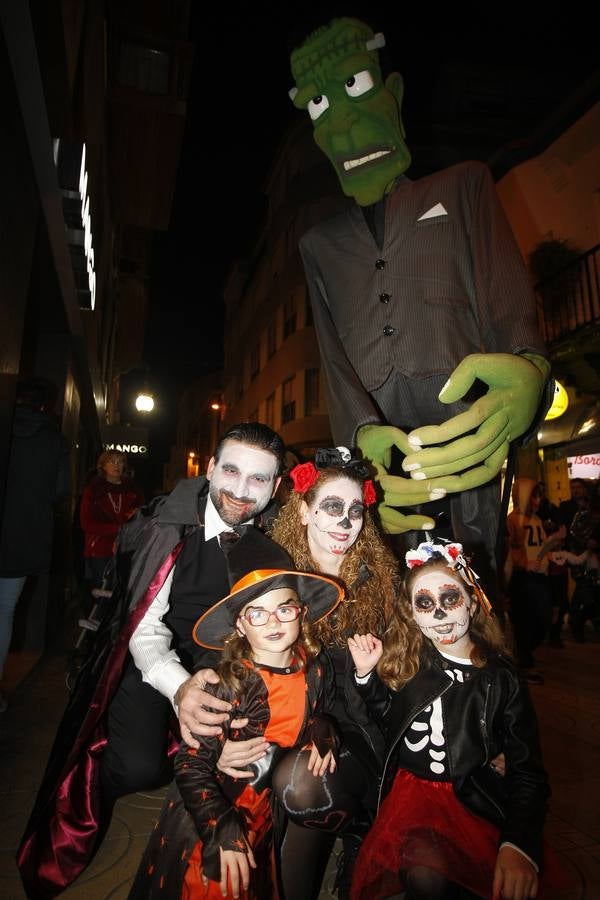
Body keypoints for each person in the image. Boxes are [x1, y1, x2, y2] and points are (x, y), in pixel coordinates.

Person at [287, 17, 551, 581]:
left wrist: (529, 364)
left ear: (394, 94)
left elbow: (508, 293)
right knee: (386, 562)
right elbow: (331, 354)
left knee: (473, 558)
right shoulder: (318, 244)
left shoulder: (463, 186)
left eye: (355, 88)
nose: (340, 124)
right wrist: (358, 431)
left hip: (465, 403)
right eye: (317, 107)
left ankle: (479, 656)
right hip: (380, 428)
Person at [17, 422, 285, 898]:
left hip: (224, 666)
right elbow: (143, 627)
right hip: (152, 658)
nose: (242, 491)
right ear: (209, 469)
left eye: (259, 479)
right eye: (231, 471)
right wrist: (179, 688)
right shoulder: (166, 526)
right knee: (138, 769)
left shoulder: (274, 538)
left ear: (276, 486)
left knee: (238, 762)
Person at [128, 528, 344, 899]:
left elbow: (313, 715)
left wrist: (323, 729)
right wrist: (221, 829)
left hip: (263, 809)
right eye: (257, 614)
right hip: (212, 814)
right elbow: (189, 766)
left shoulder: (313, 668)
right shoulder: (229, 685)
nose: (274, 622)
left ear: (301, 613)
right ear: (240, 625)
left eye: (284, 608)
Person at [347, 539, 550, 900]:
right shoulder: (412, 665)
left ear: (472, 602)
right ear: (412, 614)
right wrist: (366, 677)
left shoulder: (500, 679)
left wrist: (519, 844)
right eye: (424, 603)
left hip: (474, 799)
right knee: (425, 874)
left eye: (450, 598)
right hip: (411, 800)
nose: (439, 613)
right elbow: (392, 721)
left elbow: (527, 771)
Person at [267, 447, 399, 898]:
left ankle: (359, 827)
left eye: (355, 511)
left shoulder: (380, 582)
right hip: (287, 720)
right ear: (303, 512)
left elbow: (403, 679)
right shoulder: (276, 578)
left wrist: (368, 675)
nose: (345, 523)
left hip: (362, 729)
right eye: (331, 508)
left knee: (304, 786)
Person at [0, 376, 70, 712]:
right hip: (22, 536)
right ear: (45, 405)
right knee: (5, 612)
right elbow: (60, 489)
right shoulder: (54, 441)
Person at [505, 478, 564, 682]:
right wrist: (523, 563)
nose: (537, 501)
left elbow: (537, 548)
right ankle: (524, 663)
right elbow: (509, 550)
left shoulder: (536, 520)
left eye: (539, 496)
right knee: (527, 622)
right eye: (533, 496)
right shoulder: (512, 521)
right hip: (523, 578)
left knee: (543, 619)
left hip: (539, 577)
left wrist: (549, 556)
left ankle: (521, 658)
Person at [80, 449, 144, 605]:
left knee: (123, 593)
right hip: (100, 549)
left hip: (127, 549)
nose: (117, 465)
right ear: (103, 466)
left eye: (120, 462)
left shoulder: (133, 492)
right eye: (112, 461)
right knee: (101, 594)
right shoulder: (93, 491)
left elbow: (143, 519)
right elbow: (86, 523)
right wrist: (118, 529)